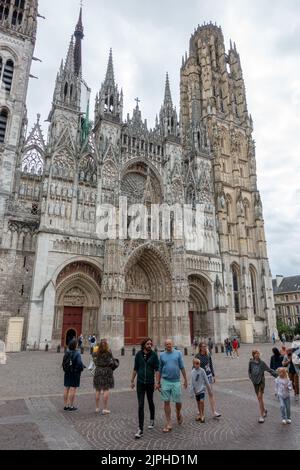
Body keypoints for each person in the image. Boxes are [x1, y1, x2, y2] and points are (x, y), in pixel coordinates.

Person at [157, 339, 188, 433]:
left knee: (178, 401)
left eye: (170, 344)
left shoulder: (178, 353)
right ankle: (169, 422)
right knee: (166, 402)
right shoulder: (162, 355)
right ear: (165, 346)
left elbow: (182, 367)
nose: (168, 345)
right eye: (167, 344)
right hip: (165, 381)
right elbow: (159, 369)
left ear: (172, 344)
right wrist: (158, 382)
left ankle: (178, 413)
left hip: (176, 381)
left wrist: (185, 379)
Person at [131, 338, 160, 440]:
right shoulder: (138, 355)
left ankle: (152, 419)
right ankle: (140, 429)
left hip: (150, 383)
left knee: (150, 401)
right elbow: (135, 368)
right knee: (141, 405)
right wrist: (132, 380)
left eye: (150, 344)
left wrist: (157, 382)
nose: (149, 345)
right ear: (144, 344)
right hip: (140, 383)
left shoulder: (154, 355)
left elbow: (157, 370)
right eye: (148, 344)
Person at [248, 350, 278, 423]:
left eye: (258, 353)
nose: (257, 355)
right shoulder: (251, 362)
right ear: (253, 355)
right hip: (255, 382)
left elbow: (269, 370)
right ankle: (264, 410)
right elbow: (249, 371)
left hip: (261, 382)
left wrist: (278, 375)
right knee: (259, 399)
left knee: (259, 397)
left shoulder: (262, 363)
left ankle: (261, 416)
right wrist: (251, 378)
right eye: (255, 354)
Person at [196, 342, 221, 419]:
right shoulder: (197, 356)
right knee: (200, 395)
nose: (204, 347)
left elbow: (211, 365)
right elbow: (194, 368)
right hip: (200, 377)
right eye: (203, 346)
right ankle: (199, 410)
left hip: (208, 376)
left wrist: (213, 375)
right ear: (200, 347)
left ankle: (214, 412)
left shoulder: (208, 355)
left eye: (205, 346)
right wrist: (196, 379)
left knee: (211, 394)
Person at [93, 339, 115, 415]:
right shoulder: (109, 351)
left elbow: (94, 361)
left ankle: (97, 408)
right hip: (107, 370)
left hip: (98, 370)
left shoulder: (96, 352)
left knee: (97, 389)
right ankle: (105, 408)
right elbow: (112, 360)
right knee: (106, 389)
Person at [62, 339, 85, 412]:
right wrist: (81, 368)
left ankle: (66, 405)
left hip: (67, 372)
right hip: (74, 373)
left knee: (66, 388)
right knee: (72, 389)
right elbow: (78, 363)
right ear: (75, 345)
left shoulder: (67, 352)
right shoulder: (77, 353)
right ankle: (71, 406)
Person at [190, 358, 212, 423]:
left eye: (198, 363)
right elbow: (191, 382)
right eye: (196, 364)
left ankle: (202, 414)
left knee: (202, 401)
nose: (198, 365)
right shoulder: (192, 372)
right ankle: (200, 413)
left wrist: (209, 389)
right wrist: (191, 392)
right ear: (193, 364)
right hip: (196, 391)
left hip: (202, 389)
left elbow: (206, 380)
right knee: (198, 403)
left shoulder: (202, 371)